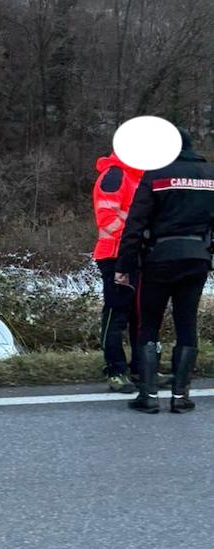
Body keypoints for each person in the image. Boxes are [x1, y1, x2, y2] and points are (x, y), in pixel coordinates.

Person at [116, 127, 214, 414]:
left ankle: (148, 396)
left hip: (159, 258)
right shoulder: (210, 176)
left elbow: (135, 224)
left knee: (149, 323)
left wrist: (124, 266)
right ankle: (181, 397)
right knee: (187, 323)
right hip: (196, 257)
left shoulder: (156, 176)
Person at [92, 151, 144, 393]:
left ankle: (141, 368)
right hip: (114, 255)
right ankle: (115, 370)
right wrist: (135, 238)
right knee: (116, 315)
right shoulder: (115, 175)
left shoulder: (138, 176)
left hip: (135, 255)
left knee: (139, 315)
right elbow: (107, 218)